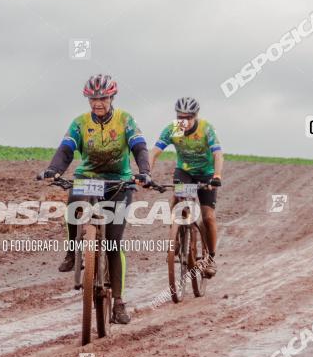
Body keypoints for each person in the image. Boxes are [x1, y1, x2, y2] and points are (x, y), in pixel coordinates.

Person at [38, 74, 151, 324]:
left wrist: (144, 172)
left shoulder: (125, 120)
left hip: (118, 181)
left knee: (112, 242)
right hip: (88, 176)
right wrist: (53, 169)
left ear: (112, 97)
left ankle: (119, 302)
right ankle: (72, 251)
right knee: (73, 201)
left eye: (102, 98)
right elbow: (66, 149)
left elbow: (140, 147)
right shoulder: (80, 122)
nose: (97, 103)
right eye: (93, 99)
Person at [151, 97, 223, 277]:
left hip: (206, 173)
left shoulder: (206, 128)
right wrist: (146, 172)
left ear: (195, 116)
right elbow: (154, 152)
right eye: (180, 117)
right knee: (176, 197)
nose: (184, 121)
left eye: (188, 118)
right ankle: (175, 234)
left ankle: (211, 258)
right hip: (184, 171)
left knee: (208, 216)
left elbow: (218, 154)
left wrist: (217, 176)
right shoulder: (174, 129)